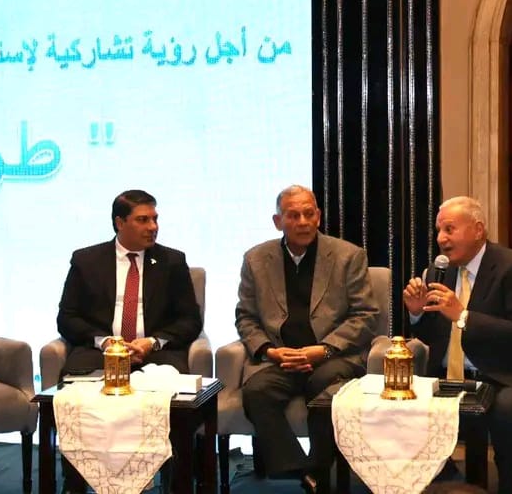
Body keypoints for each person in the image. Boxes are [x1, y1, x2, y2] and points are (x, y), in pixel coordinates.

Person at [404, 196, 512, 494]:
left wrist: (464, 316)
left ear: (478, 230)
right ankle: (457, 487)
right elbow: (435, 336)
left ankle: (509, 488)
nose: (441, 239)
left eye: (449, 229)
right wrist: (416, 313)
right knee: (402, 409)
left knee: (508, 408)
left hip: (505, 375)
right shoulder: (438, 271)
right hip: (448, 378)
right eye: (438, 230)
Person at [236, 185, 378, 494]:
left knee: (324, 388)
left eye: (308, 214)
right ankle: (301, 470)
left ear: (318, 217)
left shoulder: (348, 256)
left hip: (333, 356)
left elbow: (366, 315)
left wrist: (323, 350)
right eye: (293, 215)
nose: (302, 222)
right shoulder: (256, 259)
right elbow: (245, 317)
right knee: (257, 391)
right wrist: (269, 351)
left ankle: (318, 471)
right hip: (282, 358)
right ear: (278, 221)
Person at [56, 189, 202, 376]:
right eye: (143, 220)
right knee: (76, 389)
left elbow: (190, 320)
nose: (153, 227)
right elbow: (67, 318)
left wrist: (153, 342)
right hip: (99, 354)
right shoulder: (86, 261)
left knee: (167, 386)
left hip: (156, 355)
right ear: (120, 223)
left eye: (155, 219)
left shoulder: (172, 262)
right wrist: (106, 342)